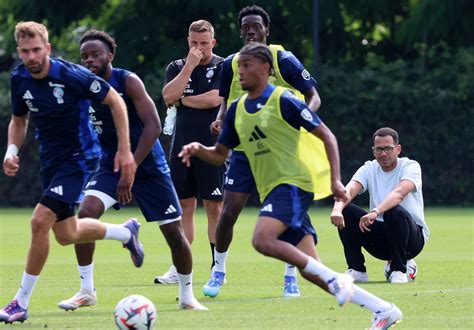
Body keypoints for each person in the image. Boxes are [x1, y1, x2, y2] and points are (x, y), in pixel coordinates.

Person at [181, 43, 403, 329]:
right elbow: (220, 154)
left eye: (247, 65)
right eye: (239, 66)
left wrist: (335, 179)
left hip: (294, 185)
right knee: (315, 271)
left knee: (262, 239)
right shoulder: (236, 110)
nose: (240, 71)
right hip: (274, 189)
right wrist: (199, 148)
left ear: (265, 69)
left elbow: (327, 136)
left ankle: (338, 282)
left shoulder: (283, 100)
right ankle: (384, 309)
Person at [0, 21, 142, 324]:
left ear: (47, 48)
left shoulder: (69, 75)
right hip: (51, 163)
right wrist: (12, 150)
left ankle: (19, 303)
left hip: (78, 160)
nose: (32, 56)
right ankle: (125, 232)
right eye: (25, 51)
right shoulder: (19, 78)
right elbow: (19, 120)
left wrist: (125, 150)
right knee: (67, 235)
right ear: (20, 52)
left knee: (39, 221)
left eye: (37, 49)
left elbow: (115, 100)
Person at [55, 29, 207, 311]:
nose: (89, 60)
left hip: (147, 165)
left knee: (174, 232)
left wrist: (132, 166)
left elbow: (154, 126)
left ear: (110, 55)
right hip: (110, 163)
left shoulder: (128, 81)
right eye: (84, 56)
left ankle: (187, 295)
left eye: (96, 54)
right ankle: (86, 290)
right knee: (86, 213)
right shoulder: (81, 86)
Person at [205, 4, 328, 298]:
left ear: (266, 30)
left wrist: (299, 124)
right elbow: (226, 100)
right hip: (245, 150)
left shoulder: (281, 59)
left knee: (289, 216)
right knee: (229, 210)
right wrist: (220, 119)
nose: (251, 30)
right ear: (240, 31)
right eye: (246, 26)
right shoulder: (231, 64)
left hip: (282, 152)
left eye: (256, 26)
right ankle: (218, 270)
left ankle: (291, 277)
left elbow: (314, 97)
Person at [154, 20, 225, 284]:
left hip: (213, 147)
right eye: (194, 43)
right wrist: (189, 66)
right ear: (188, 41)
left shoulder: (222, 65)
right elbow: (168, 96)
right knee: (183, 207)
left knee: (214, 207)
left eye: (204, 43)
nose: (199, 48)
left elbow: (216, 98)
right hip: (181, 147)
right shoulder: (176, 66)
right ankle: (180, 267)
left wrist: (184, 99)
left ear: (213, 43)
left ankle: (218, 267)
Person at [330, 127, 429, 284]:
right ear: (373, 150)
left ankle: (399, 270)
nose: (383, 154)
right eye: (379, 149)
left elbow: (399, 194)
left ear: (398, 149)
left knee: (393, 211)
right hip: (381, 241)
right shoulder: (369, 168)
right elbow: (348, 190)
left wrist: (375, 211)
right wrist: (337, 209)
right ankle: (357, 270)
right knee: (347, 210)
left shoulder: (410, 167)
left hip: (412, 239)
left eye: (388, 149)